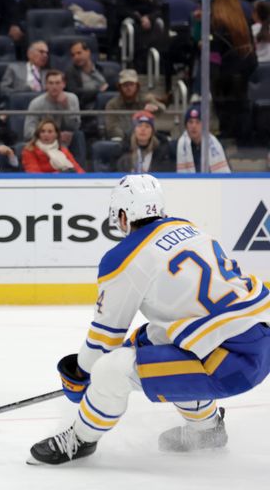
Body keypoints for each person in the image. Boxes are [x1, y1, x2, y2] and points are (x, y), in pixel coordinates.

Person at [29, 174, 270, 465]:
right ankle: (207, 432)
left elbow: (103, 344)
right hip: (259, 335)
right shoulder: (186, 227)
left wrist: (80, 377)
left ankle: (79, 440)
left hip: (231, 362)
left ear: (122, 215)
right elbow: (179, 316)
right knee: (152, 339)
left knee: (111, 370)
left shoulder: (123, 257)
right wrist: (134, 344)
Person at [210, 0, 258, 143]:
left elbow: (215, 52)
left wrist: (213, 73)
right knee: (240, 105)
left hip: (225, 73)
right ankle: (242, 138)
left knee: (226, 107)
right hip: (244, 71)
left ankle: (227, 134)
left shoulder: (216, 21)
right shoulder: (243, 20)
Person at [23, 70, 86, 165]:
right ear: (46, 85)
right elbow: (28, 132)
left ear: (63, 84)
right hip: (43, 140)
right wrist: (53, 136)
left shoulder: (72, 99)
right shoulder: (36, 103)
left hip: (66, 141)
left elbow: (75, 126)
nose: (54, 86)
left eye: (57, 83)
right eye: (51, 83)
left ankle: (80, 173)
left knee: (78, 135)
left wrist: (66, 107)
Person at [113, 0, 166, 73]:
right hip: (131, 31)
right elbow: (122, 11)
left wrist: (149, 18)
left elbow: (158, 11)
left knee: (159, 25)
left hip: (148, 28)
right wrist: (140, 18)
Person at [105, 69, 165, 140]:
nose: (128, 88)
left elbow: (162, 108)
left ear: (137, 86)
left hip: (145, 139)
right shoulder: (112, 104)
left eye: (131, 84)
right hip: (122, 141)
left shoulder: (145, 99)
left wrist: (155, 107)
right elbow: (112, 128)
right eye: (125, 85)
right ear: (120, 87)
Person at [175, 105, 230, 173]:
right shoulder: (177, 147)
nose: (194, 126)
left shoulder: (216, 146)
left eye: (198, 122)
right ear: (186, 126)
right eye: (190, 122)